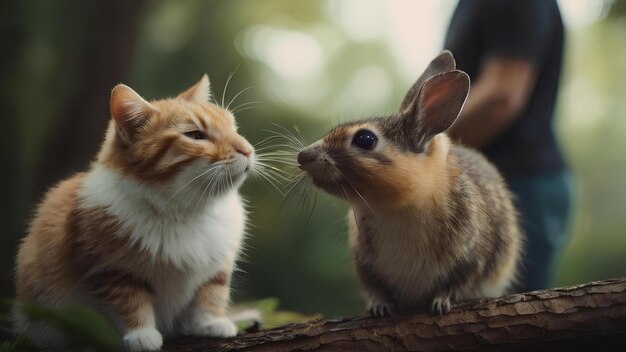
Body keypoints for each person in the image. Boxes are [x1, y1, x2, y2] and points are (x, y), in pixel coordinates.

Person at [444, 0, 573, 292]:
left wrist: (415, 143)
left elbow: (502, 97)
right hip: (501, 182)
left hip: (518, 187)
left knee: (516, 328)